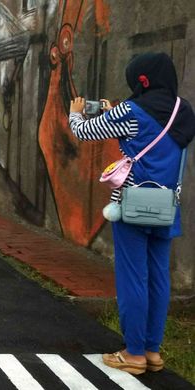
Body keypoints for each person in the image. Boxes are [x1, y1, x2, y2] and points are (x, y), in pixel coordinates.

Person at [68, 52, 195, 375]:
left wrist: (75, 114)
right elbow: (155, 137)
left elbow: (85, 132)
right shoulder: (185, 111)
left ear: (142, 80)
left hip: (132, 205)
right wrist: (119, 114)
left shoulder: (132, 109)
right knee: (158, 277)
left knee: (132, 278)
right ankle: (152, 351)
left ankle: (133, 353)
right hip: (166, 205)